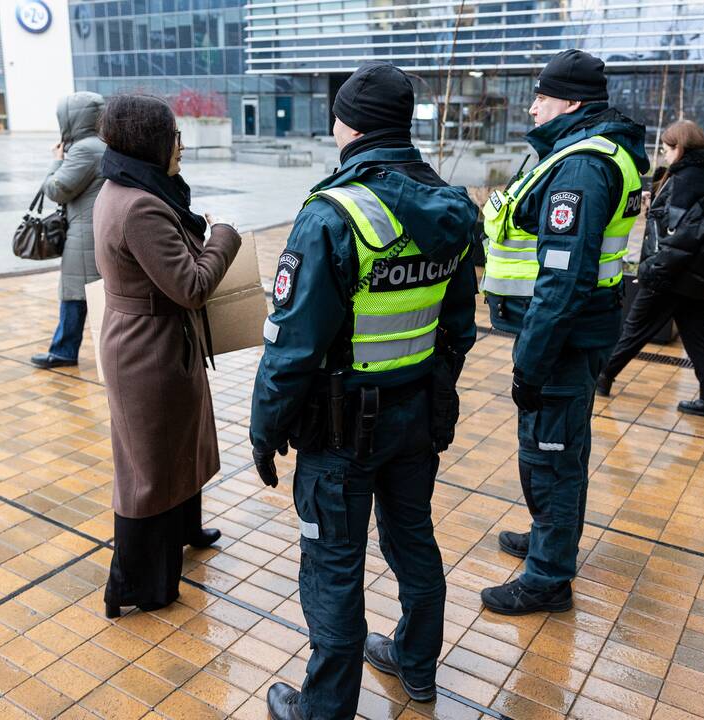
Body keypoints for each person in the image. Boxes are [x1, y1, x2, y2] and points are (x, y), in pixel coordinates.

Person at [249, 61, 478, 720]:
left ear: (344, 124)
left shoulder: (332, 216)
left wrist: (265, 431)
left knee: (333, 567)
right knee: (413, 542)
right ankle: (415, 665)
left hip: (339, 433)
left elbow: (291, 349)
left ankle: (324, 710)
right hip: (416, 420)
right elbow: (457, 330)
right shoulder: (455, 210)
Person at [479, 49, 649, 615]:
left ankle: (549, 577)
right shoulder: (586, 152)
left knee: (550, 455)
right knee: (560, 449)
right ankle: (548, 539)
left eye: (541, 97)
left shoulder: (580, 167)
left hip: (561, 339)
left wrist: (530, 362)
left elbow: (564, 278)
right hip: (572, 334)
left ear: (571, 102)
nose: (532, 107)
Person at [93, 94, 241, 617]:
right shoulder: (139, 205)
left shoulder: (132, 187)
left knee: (175, 443)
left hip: (157, 338)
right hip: (147, 347)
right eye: (175, 137)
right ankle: (138, 586)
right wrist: (223, 234)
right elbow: (192, 285)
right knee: (146, 467)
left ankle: (184, 529)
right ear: (152, 142)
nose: (181, 146)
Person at [596, 120, 704, 421]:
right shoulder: (703, 175)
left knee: (634, 328)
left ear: (680, 148)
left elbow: (681, 237)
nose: (663, 153)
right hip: (691, 275)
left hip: (672, 275)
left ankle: (602, 377)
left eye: (666, 148)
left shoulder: (687, 181)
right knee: (697, 334)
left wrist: (650, 269)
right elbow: (682, 224)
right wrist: (654, 202)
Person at [31, 92, 107, 369]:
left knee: (74, 293)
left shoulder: (84, 150)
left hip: (85, 235)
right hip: (96, 230)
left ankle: (64, 350)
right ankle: (91, 351)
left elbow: (56, 190)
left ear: (71, 119)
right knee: (93, 293)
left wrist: (57, 160)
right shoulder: (102, 144)